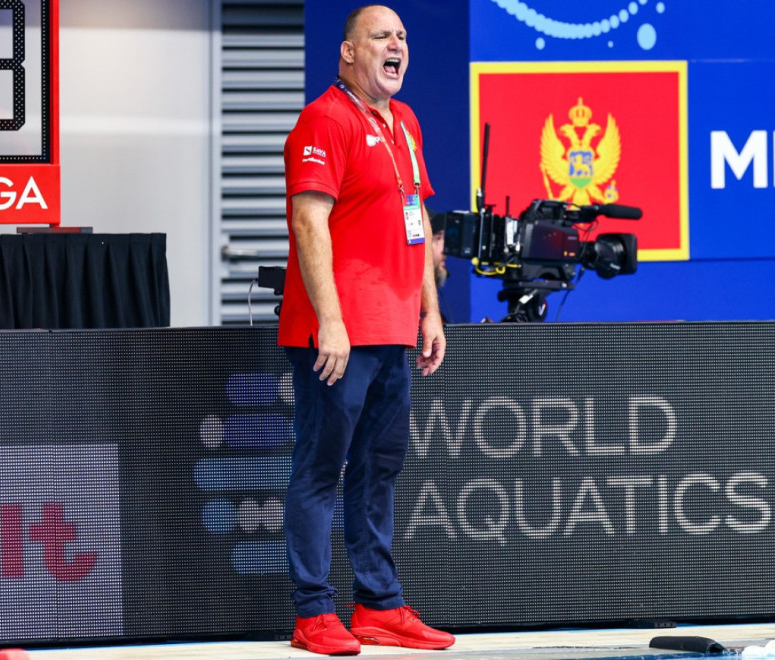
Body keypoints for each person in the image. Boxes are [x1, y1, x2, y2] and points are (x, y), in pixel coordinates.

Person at [277, 4, 453, 655]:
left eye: (402, 36)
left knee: (379, 468)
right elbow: (308, 221)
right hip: (338, 334)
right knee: (321, 467)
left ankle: (378, 606)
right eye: (381, 36)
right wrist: (330, 320)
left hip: (393, 328)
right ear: (349, 52)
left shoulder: (405, 121)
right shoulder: (325, 119)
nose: (395, 45)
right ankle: (313, 613)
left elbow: (416, 221)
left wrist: (429, 311)